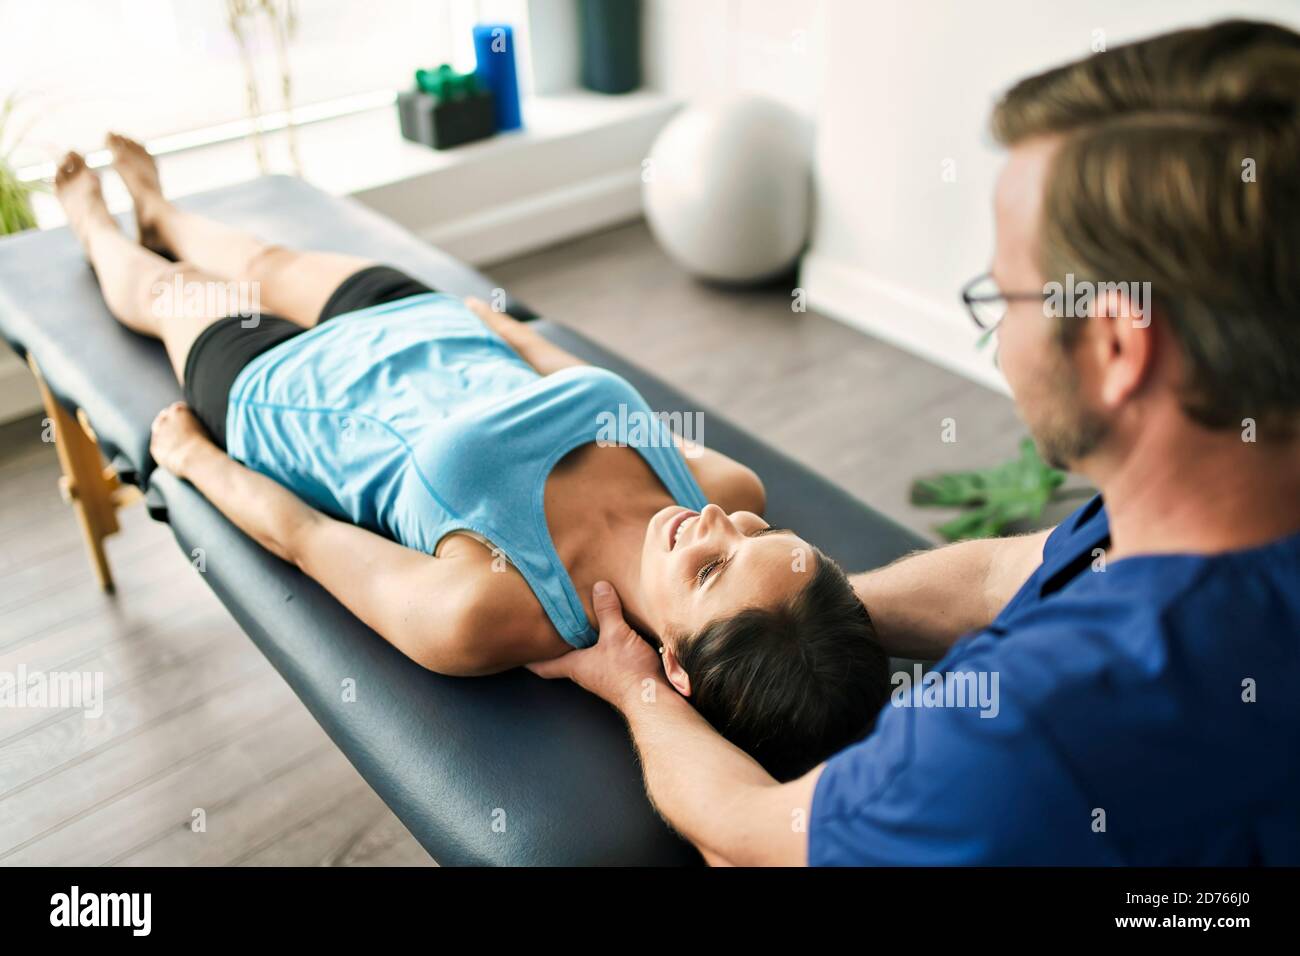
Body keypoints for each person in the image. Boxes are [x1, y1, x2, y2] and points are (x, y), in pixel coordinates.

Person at [532, 19, 1300, 865]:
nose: (998, 337)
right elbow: (1008, 574)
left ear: (1117, 347)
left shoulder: (1019, 732)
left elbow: (747, 832)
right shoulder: (1202, 507)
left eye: (1002, 298)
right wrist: (785, 617)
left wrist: (636, 683)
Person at [52, 136, 893, 782]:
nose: (716, 525)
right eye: (757, 540)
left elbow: (307, 538)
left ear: (673, 661)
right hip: (433, 327)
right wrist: (494, 324)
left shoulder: (492, 608)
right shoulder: (721, 488)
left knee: (175, 293)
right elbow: (568, 371)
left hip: (284, 396)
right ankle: (159, 209)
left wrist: (191, 460)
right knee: (263, 260)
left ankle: (92, 224)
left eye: (713, 572)